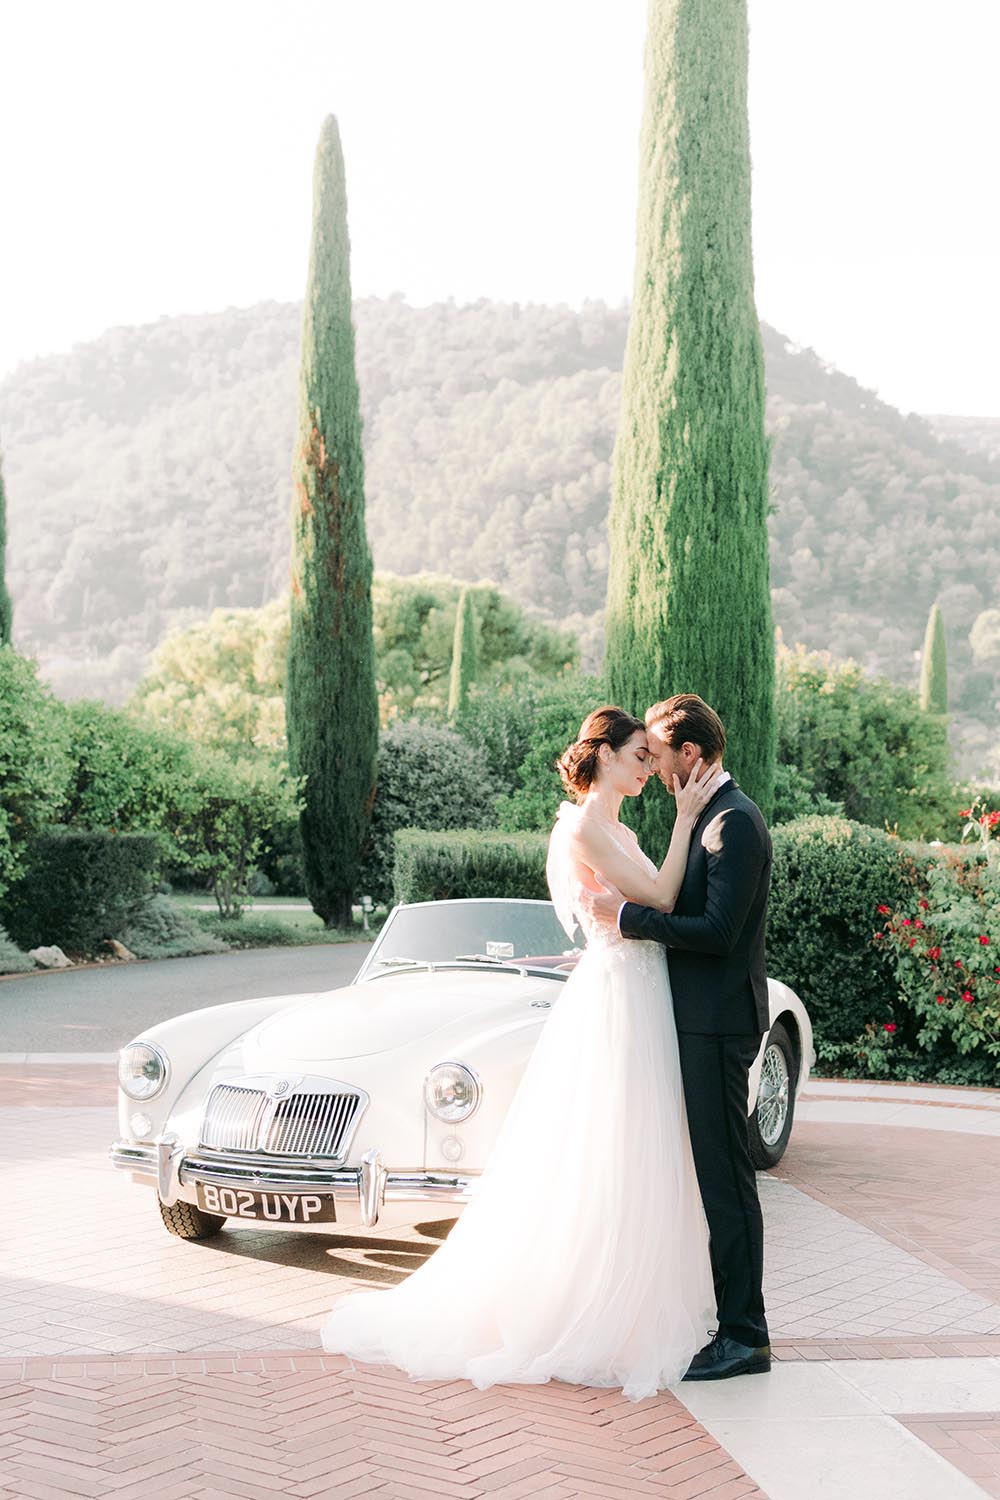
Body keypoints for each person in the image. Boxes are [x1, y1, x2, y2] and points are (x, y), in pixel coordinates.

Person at [320, 705, 723, 1399]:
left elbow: (654, 901)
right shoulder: (588, 828)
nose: (648, 767)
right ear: (601, 757)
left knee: (641, 1147)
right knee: (611, 1145)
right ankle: (587, 1309)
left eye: (650, 759)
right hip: (619, 994)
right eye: (636, 756)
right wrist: (687, 819)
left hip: (638, 986)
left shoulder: (615, 824)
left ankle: (629, 1298)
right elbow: (658, 894)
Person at [579, 694, 772, 1381]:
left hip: (718, 1025)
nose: (656, 770)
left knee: (726, 1178)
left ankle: (745, 1336)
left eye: (659, 756)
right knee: (714, 1176)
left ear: (690, 754)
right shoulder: (713, 819)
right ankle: (733, 1325)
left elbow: (718, 935)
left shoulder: (733, 825)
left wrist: (628, 918)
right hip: (697, 1021)